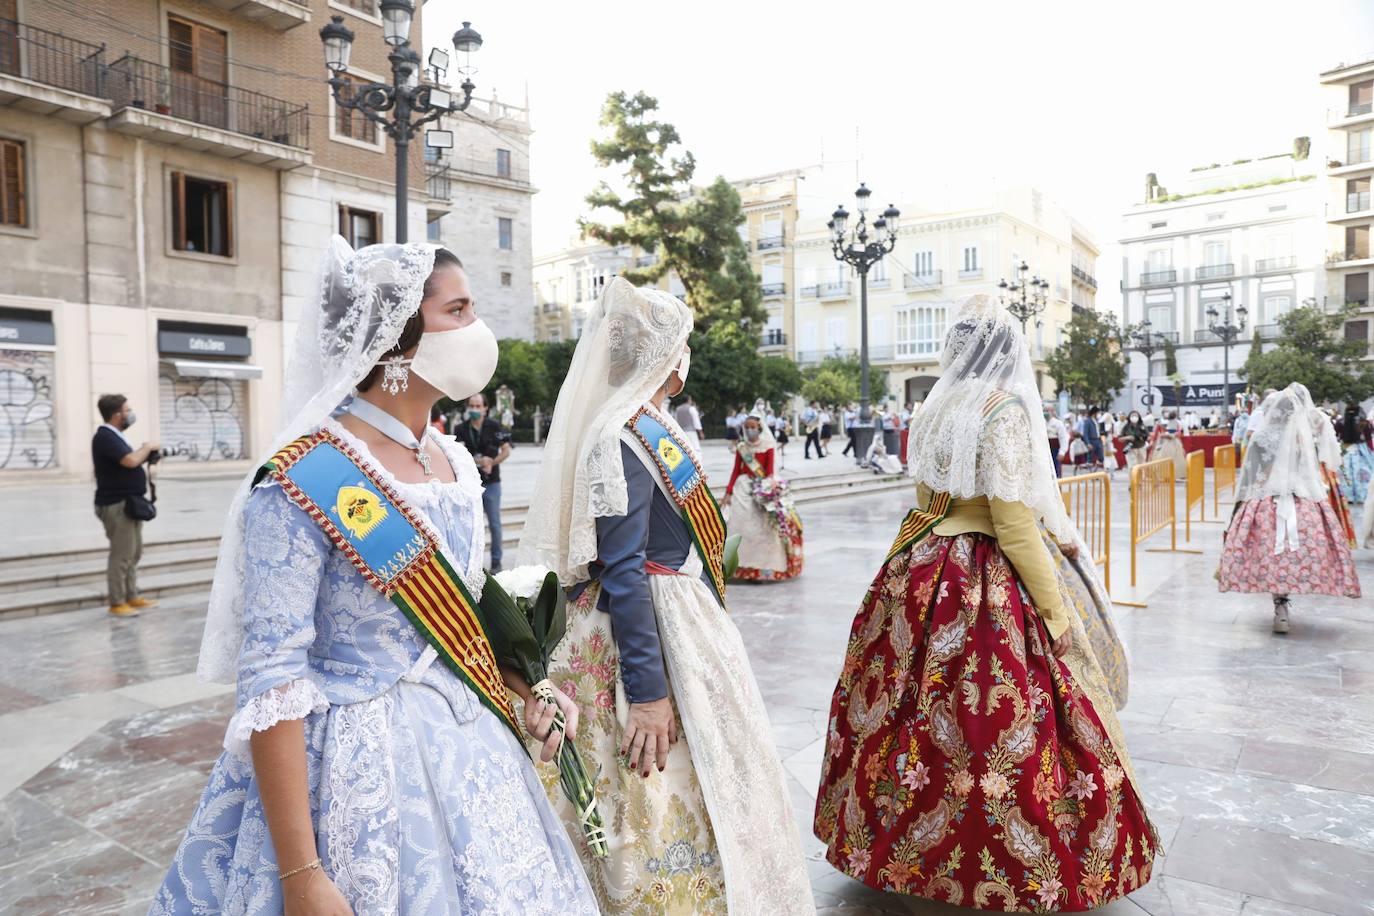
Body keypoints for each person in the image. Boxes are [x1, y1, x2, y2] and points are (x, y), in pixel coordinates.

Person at [154, 239, 597, 914]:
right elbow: (273, 674)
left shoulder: (452, 459)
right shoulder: (308, 476)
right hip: (354, 777)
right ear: (398, 341)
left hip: (468, 747)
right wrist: (301, 872)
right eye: (459, 310)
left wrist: (525, 682)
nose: (477, 329)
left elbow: (462, 613)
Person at [814, 295, 1157, 909]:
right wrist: (1055, 613)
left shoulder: (934, 407)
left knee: (905, 715)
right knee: (996, 721)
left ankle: (893, 847)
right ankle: (1005, 865)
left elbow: (927, 496)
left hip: (918, 570)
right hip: (982, 578)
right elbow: (1013, 522)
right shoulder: (1004, 411)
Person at [519, 278, 815, 914]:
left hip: (676, 613)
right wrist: (649, 695)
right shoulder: (626, 435)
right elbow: (623, 568)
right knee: (651, 797)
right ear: (669, 361)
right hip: (649, 627)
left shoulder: (645, 424)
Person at [1219, 383, 1361, 634]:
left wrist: (1240, 509)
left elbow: (1251, 473)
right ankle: (1284, 602)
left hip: (1266, 500)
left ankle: (1280, 604)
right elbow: (1329, 459)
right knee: (1297, 553)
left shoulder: (1264, 437)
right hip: (1305, 500)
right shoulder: (1307, 434)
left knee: (1272, 555)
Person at [92, 394, 160, 618]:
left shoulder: (116, 436)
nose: (130, 414)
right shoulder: (104, 437)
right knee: (121, 555)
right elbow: (130, 461)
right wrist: (147, 447)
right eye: (127, 410)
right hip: (116, 505)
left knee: (134, 552)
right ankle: (117, 601)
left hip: (129, 503)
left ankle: (132, 595)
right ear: (116, 414)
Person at [722, 413, 804, 581]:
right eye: (747, 428)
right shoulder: (742, 447)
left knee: (763, 529)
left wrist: (768, 490)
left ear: (759, 428)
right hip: (742, 488)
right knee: (740, 527)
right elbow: (736, 470)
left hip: (761, 488)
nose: (750, 430)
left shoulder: (768, 446)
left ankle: (763, 568)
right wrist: (728, 492)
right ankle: (739, 567)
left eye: (753, 427)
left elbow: (769, 473)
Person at [458, 391, 512, 571]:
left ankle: (496, 562)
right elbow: (455, 456)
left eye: (478, 406)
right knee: (472, 525)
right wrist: (477, 462)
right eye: (471, 406)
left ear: (485, 408)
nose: (474, 409)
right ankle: (473, 565)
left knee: (494, 524)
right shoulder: (461, 429)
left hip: (492, 483)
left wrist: (492, 462)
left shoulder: (495, 426)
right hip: (470, 484)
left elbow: (506, 450)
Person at [1149, 410, 1187, 478]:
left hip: (1174, 442)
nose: (1167, 413)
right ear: (1162, 413)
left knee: (1176, 458)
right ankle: (1161, 475)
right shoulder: (1159, 422)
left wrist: (1173, 435)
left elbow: (1179, 432)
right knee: (1160, 458)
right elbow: (1155, 433)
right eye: (1165, 412)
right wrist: (1152, 441)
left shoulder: (1176, 422)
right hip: (1162, 442)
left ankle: (1175, 475)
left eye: (1168, 411)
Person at [1045, 406, 1068, 477]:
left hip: (1055, 450)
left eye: (1047, 410)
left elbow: (1063, 438)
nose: (1045, 412)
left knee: (1055, 471)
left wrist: (1062, 451)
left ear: (1052, 411)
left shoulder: (1058, 423)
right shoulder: (1042, 423)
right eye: (1044, 410)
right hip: (1045, 450)